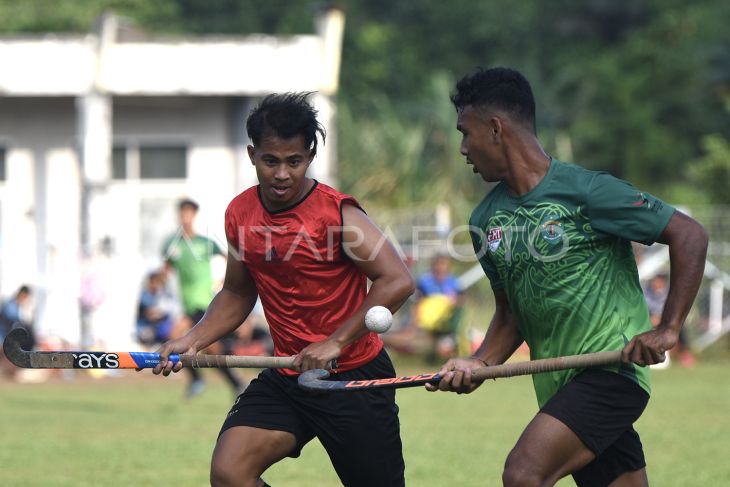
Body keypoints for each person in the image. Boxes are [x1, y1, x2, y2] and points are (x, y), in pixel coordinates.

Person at [427, 67, 708, 487]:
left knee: (524, 473)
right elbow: (510, 316)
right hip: (559, 385)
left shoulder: (587, 191)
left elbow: (689, 234)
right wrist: (479, 362)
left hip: (612, 371)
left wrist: (668, 328)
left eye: (465, 133)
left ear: (496, 128)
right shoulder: (485, 219)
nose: (463, 148)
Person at [152, 93, 414, 487]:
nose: (282, 174)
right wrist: (193, 338)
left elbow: (397, 279)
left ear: (309, 157)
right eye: (270, 160)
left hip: (352, 375)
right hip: (289, 375)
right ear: (252, 154)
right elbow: (238, 294)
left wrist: (335, 343)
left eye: (294, 162)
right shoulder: (240, 213)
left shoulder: (338, 214)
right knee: (230, 473)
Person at [163, 198, 246, 398]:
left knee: (205, 346)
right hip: (187, 304)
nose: (186, 218)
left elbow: (232, 260)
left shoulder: (204, 242)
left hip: (204, 303)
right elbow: (165, 271)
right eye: (182, 214)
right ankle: (219, 381)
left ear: (194, 216)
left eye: (189, 214)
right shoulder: (173, 245)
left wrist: (226, 282)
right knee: (178, 339)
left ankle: (230, 382)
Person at [414, 254, 464, 361]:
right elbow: (418, 301)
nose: (441, 267)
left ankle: (448, 349)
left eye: (444, 264)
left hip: (448, 322)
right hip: (429, 322)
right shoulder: (425, 281)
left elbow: (461, 301)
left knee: (445, 348)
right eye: (439, 264)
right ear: (434, 265)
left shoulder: (454, 281)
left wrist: (453, 301)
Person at [135, 271, 175, 346]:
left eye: (158, 282)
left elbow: (168, 312)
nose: (155, 285)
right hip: (144, 328)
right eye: (153, 282)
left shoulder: (163, 295)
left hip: (160, 330)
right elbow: (149, 314)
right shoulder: (143, 295)